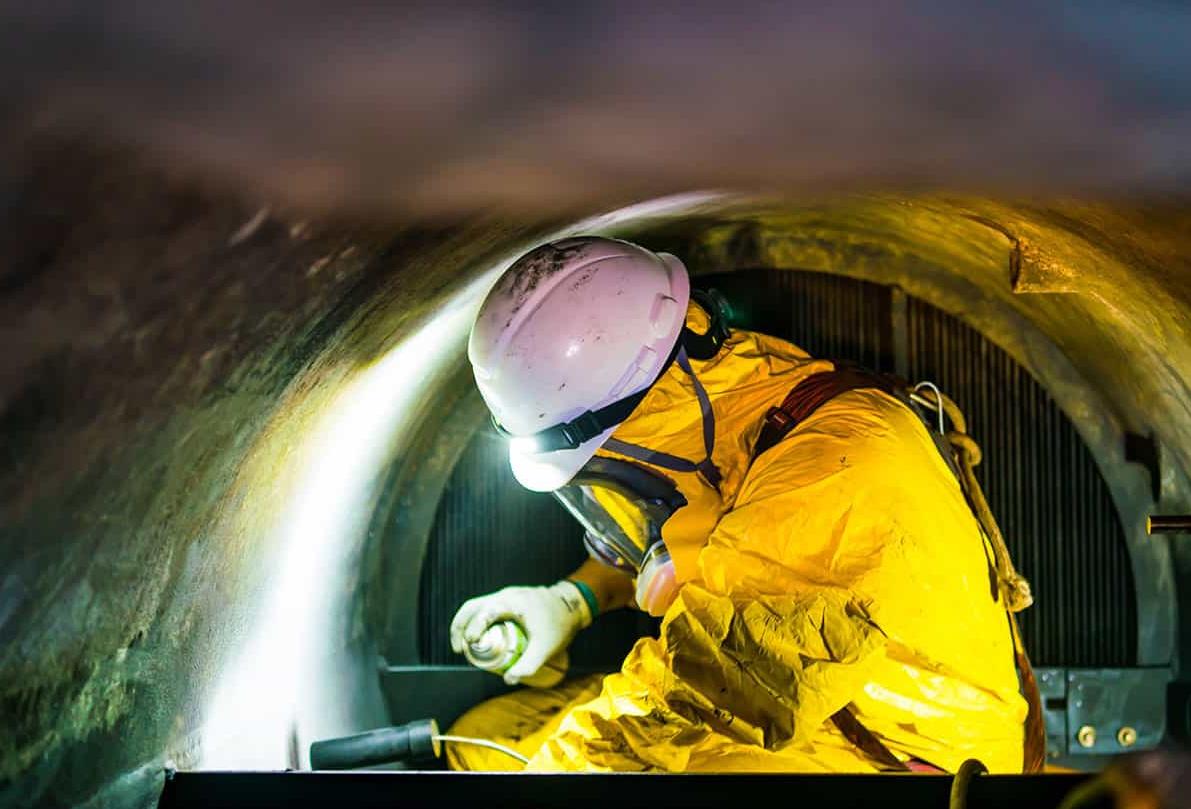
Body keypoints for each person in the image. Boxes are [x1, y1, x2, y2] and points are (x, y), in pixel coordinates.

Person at [446, 236, 1040, 773]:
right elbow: (665, 545)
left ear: (642, 413)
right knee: (481, 742)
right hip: (810, 714)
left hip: (915, 761)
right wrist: (571, 601)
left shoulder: (841, 465)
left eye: (606, 466)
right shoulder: (721, 414)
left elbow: (718, 682)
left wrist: (557, 778)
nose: (610, 485)